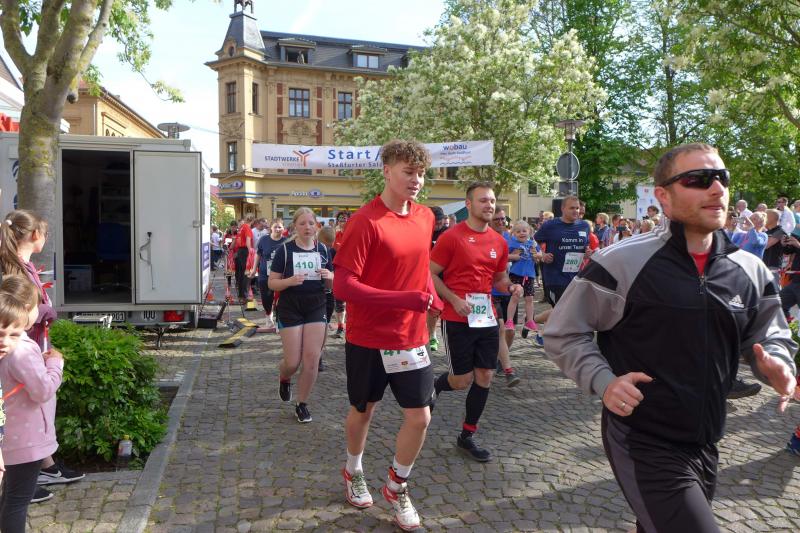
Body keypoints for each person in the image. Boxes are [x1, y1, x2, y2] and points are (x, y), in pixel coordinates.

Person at [545, 143, 797, 532]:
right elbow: (563, 332)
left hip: (707, 437)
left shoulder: (750, 269)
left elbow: (768, 333)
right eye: (698, 179)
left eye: (722, 178)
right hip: (642, 437)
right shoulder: (620, 262)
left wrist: (776, 362)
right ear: (663, 196)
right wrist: (604, 381)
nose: (716, 189)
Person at [333, 140, 442, 531]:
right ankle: (353, 470)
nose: (416, 180)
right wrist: (404, 298)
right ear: (387, 171)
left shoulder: (425, 217)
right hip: (367, 337)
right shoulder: (366, 221)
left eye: (421, 173)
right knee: (364, 410)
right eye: (408, 172)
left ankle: (396, 486)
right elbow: (343, 286)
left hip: (410, 337)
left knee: (420, 417)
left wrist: (432, 296)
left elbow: (420, 267)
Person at [430, 181, 523, 463]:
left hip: (485, 317)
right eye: (483, 200)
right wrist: (452, 299)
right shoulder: (452, 237)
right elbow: (430, 273)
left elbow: (499, 278)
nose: (489, 205)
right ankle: (435, 386)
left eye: (492, 200)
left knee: (485, 376)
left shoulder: (499, 241)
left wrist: (511, 287)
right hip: (456, 317)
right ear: (468, 204)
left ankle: (467, 435)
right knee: (461, 380)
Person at [0, 210, 84, 503]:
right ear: (36, 235)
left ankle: (43, 465)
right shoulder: (15, 269)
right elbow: (15, 311)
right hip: (23, 347)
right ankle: (21, 479)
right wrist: (45, 311)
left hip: (31, 343)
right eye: (45, 234)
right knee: (27, 406)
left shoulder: (22, 265)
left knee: (34, 408)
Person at [0, 275, 65, 531]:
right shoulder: (21, 348)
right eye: (38, 306)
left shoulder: (10, 344)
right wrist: (55, 364)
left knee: (9, 497)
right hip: (26, 439)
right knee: (17, 501)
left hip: (11, 436)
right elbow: (42, 390)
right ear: (27, 308)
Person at [268, 208, 332, 423]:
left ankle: (302, 404)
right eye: (302, 223)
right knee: (293, 362)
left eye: (311, 223)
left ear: (317, 226)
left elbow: (331, 286)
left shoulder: (323, 250)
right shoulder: (285, 251)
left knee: (312, 359)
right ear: (294, 226)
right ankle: (284, 376)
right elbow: (272, 283)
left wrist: (330, 276)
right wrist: (289, 281)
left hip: (316, 305)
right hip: (290, 306)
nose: (307, 227)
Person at [488, 210, 522, 386]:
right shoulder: (486, 237)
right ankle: (508, 369)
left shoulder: (510, 237)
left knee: (510, 331)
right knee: (501, 329)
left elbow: (528, 252)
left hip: (508, 289)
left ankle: (501, 360)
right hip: (492, 293)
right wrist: (513, 256)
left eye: (503, 218)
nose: (501, 221)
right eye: (497, 219)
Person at [504, 220, 540, 340]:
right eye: (518, 231)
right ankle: (509, 321)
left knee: (529, 298)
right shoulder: (512, 243)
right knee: (515, 297)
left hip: (529, 275)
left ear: (529, 232)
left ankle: (529, 321)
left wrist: (536, 255)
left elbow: (539, 256)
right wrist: (513, 256)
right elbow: (503, 257)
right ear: (514, 233)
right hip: (516, 274)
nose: (522, 233)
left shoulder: (532, 244)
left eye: (524, 231)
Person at [254, 219, 286, 331]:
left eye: (280, 227)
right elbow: (258, 255)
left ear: (283, 228)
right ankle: (269, 318)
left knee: (280, 300)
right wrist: (254, 269)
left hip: (281, 275)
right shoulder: (264, 239)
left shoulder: (287, 241)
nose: (277, 229)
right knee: (266, 298)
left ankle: (279, 322)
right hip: (264, 274)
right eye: (275, 227)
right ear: (271, 228)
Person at [233, 214, 255, 301]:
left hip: (240, 251)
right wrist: (251, 252)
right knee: (247, 273)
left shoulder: (242, 227)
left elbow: (238, 240)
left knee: (241, 273)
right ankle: (245, 295)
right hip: (245, 251)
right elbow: (248, 241)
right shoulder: (247, 228)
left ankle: (241, 294)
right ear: (252, 221)